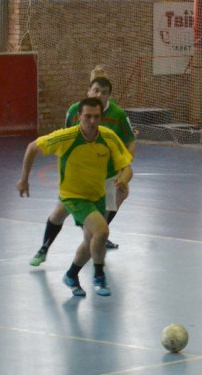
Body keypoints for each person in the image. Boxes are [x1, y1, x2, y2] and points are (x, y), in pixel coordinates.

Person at [17, 97, 133, 296]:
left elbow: (127, 167)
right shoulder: (66, 137)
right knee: (102, 232)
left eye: (96, 117)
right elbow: (32, 148)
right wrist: (24, 179)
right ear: (79, 116)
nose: (92, 121)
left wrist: (122, 180)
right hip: (73, 197)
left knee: (91, 242)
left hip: (97, 196)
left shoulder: (108, 137)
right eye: (88, 116)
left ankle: (71, 275)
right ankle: (99, 276)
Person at [29, 66, 135, 267]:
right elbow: (66, 140)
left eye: (104, 92)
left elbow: (130, 142)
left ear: (109, 95)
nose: (99, 95)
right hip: (79, 179)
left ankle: (97, 239)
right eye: (96, 90)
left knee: (111, 208)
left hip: (107, 177)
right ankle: (44, 247)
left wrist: (124, 168)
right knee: (59, 213)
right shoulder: (75, 111)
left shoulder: (118, 115)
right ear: (88, 90)